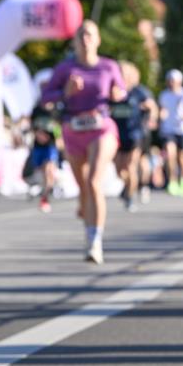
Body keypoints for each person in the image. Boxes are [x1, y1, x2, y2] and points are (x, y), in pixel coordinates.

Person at [41, 19, 126, 264]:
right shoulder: (65, 68)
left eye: (90, 34)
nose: (85, 39)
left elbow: (122, 92)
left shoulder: (109, 67)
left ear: (98, 40)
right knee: (84, 187)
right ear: (75, 41)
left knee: (94, 182)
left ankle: (94, 242)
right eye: (81, 35)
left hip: (102, 128)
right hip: (73, 130)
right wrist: (65, 92)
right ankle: (85, 207)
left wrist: (117, 94)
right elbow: (45, 98)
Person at [112, 61, 157, 211]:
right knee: (119, 170)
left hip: (135, 134)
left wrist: (151, 119)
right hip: (117, 135)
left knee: (131, 166)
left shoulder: (139, 91)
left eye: (124, 73)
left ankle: (130, 197)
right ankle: (127, 187)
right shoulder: (112, 90)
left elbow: (152, 106)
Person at [157, 70, 183, 196]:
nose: (171, 83)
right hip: (168, 130)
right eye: (169, 80)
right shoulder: (164, 95)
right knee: (170, 154)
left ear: (179, 81)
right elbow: (162, 109)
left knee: (182, 157)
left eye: (173, 80)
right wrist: (161, 115)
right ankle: (172, 182)